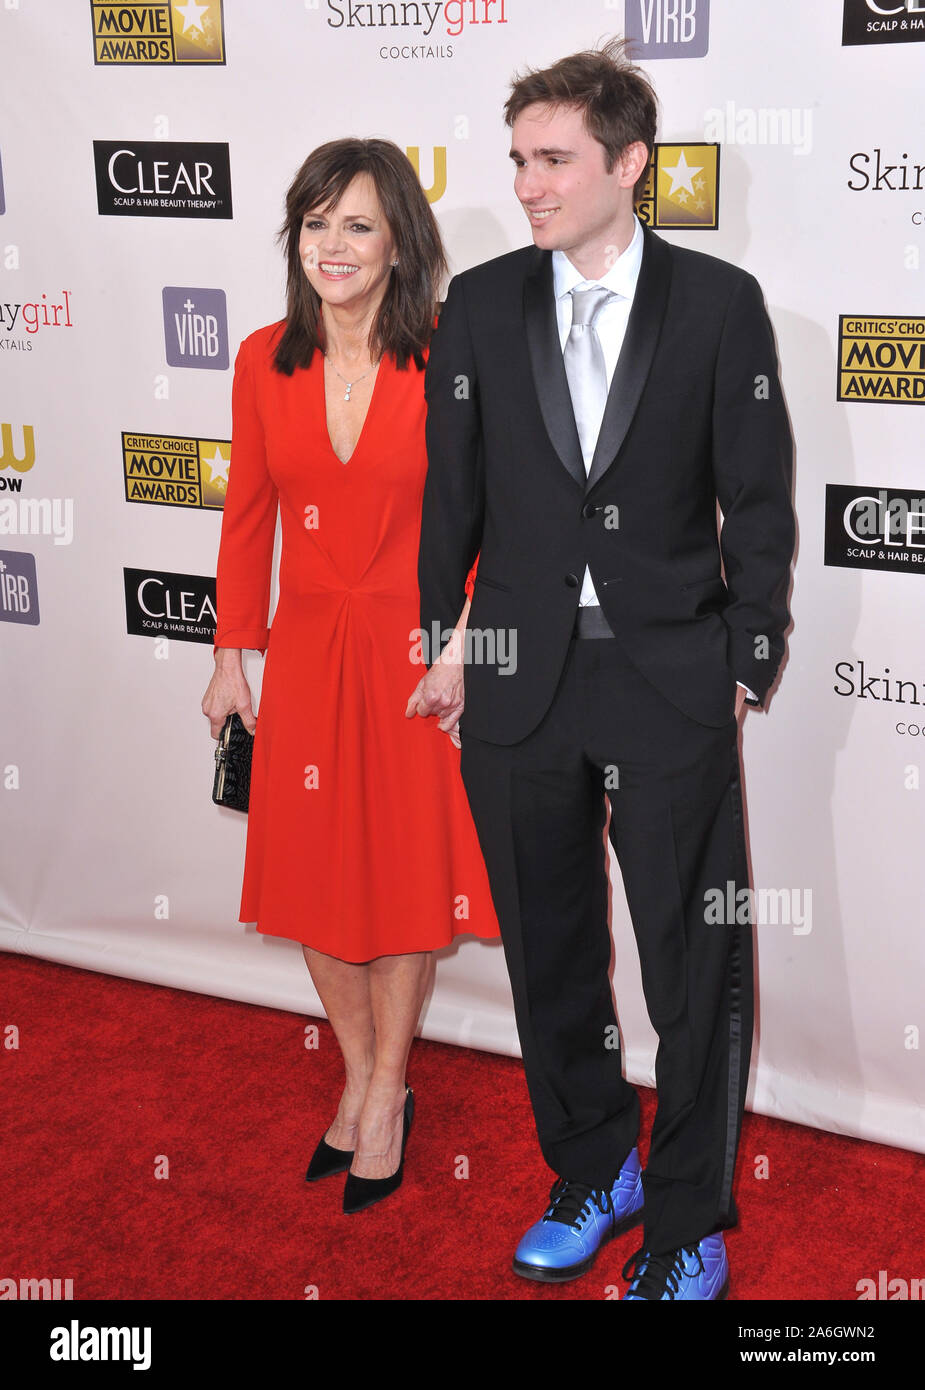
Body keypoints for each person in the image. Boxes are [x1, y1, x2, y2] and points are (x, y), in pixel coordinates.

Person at [411, 39, 795, 1298]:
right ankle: (595, 1165)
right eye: (518, 157)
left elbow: (758, 491)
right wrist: (441, 637)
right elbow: (451, 497)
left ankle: (687, 1217)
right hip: (518, 677)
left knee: (698, 968)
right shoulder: (478, 305)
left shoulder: (719, 304)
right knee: (550, 949)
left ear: (630, 164)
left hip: (670, 675)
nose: (527, 184)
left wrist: (747, 650)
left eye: (554, 158)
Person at [203, 138, 498, 1215]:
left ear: (398, 242)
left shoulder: (442, 360)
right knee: (315, 878)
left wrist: (464, 640)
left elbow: (483, 520)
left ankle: (382, 1094)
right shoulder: (259, 359)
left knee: (408, 876)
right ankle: (364, 1072)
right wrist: (232, 653)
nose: (333, 245)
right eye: (317, 223)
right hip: (309, 648)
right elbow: (245, 518)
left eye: (358, 224)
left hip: (414, 653)